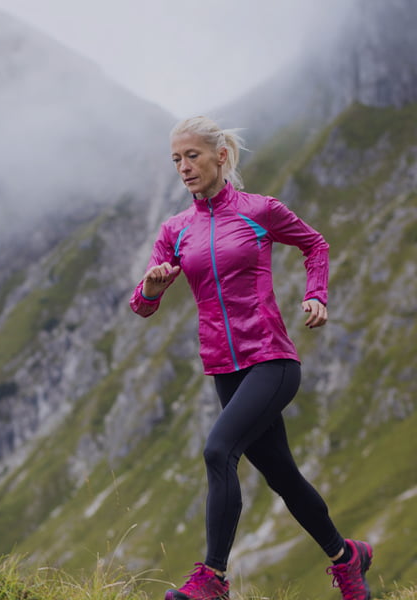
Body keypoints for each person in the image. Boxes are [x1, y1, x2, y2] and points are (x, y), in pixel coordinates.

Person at [129, 116, 373, 600]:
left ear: (221, 156)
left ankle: (212, 578)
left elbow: (315, 244)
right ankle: (349, 559)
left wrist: (317, 294)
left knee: (219, 450)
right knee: (282, 475)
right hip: (224, 368)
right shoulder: (176, 230)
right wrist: (151, 289)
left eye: (192, 155)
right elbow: (141, 305)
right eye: (176, 159)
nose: (183, 167)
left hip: (271, 359)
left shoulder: (260, 210)